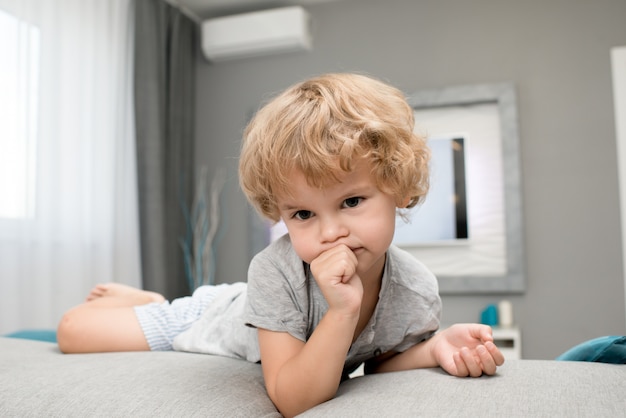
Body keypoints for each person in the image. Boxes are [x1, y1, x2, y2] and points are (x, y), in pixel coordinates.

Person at [58, 73, 504, 418]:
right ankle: (154, 302)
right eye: (303, 214)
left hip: (254, 303)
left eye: (351, 201)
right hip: (217, 316)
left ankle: (151, 298)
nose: (329, 234)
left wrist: (437, 347)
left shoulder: (416, 289)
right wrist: (342, 311)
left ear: (400, 189)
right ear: (281, 213)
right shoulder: (275, 270)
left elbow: (380, 361)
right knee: (74, 331)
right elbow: (293, 400)